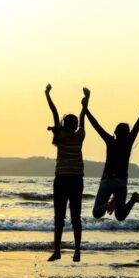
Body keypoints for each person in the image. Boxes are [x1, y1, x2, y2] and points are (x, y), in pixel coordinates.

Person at [85, 90, 139, 221]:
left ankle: (108, 204)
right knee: (120, 216)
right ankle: (133, 200)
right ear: (127, 133)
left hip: (107, 180)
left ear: (115, 132)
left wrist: (85, 108)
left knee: (96, 213)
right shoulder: (128, 142)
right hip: (121, 182)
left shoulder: (110, 141)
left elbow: (95, 124)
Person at [44, 84, 88, 262]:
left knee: (59, 217)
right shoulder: (80, 136)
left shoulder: (60, 136)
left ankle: (57, 250)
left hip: (62, 179)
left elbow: (54, 112)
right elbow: (83, 116)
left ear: (63, 124)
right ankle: (77, 251)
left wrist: (47, 94)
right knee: (76, 217)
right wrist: (86, 101)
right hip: (76, 179)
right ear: (76, 125)